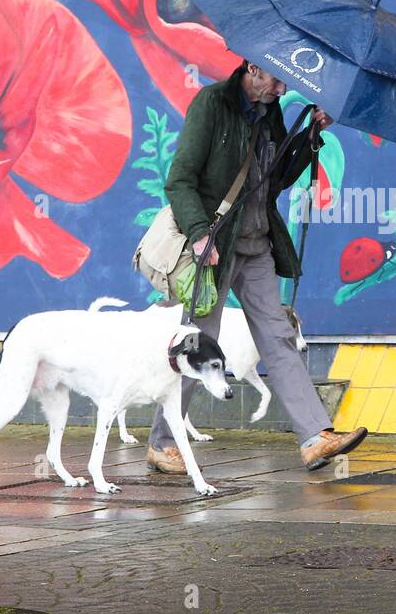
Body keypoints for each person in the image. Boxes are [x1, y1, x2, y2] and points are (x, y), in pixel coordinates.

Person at [146, 60, 368, 473]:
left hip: (257, 242)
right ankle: (162, 442)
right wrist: (198, 234)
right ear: (252, 68)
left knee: (279, 337)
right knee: (199, 343)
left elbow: (278, 177)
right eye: (277, 80)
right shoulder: (211, 104)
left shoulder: (271, 112)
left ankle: (315, 437)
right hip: (214, 246)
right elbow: (180, 179)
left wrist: (312, 135)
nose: (282, 90)